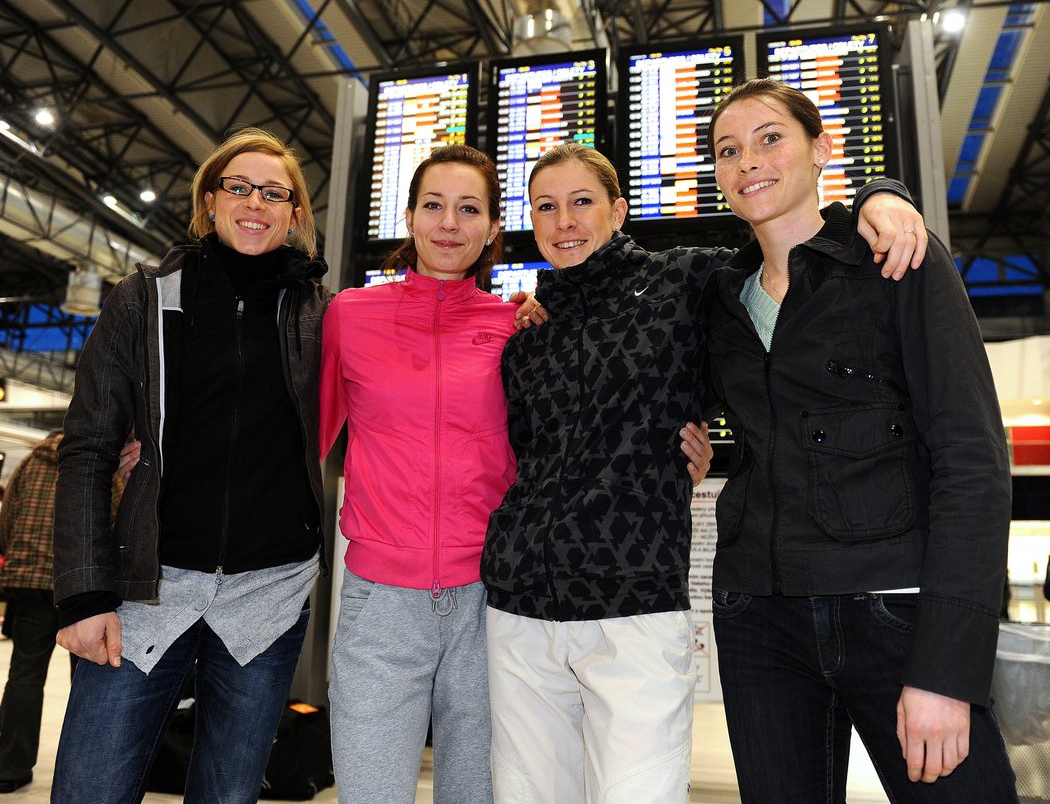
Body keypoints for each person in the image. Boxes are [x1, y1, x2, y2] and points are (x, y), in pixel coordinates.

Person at [480, 139, 927, 803]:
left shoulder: (685, 280)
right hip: (519, 604)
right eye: (546, 207)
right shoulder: (528, 331)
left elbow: (788, 241)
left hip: (634, 599)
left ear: (619, 210)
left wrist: (881, 195)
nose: (564, 220)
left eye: (581, 202)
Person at [702, 78, 1017, 802]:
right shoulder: (719, 301)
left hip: (895, 608)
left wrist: (946, 668)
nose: (748, 160)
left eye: (770, 137)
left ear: (822, 150)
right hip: (761, 617)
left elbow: (972, 463)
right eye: (728, 150)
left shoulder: (897, 261)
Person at [52, 127, 330, 804]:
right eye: (239, 187)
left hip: (268, 596)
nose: (255, 203)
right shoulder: (140, 302)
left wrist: (523, 318)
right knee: (90, 789)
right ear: (210, 200)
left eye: (275, 192)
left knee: (228, 795)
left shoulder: (322, 316)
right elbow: (88, 446)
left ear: (295, 212)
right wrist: (85, 595)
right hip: (146, 589)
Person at [319, 143, 578, 804]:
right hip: (380, 602)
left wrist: (678, 444)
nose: (448, 223)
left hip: (490, 603)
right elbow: (304, 436)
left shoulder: (517, 327)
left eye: (469, 209)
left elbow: (559, 450)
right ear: (409, 217)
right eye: (433, 205)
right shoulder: (351, 316)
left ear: (493, 227)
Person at [0, 432, 121, 795]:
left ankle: (9, 767)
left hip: (29, 583)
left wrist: (18, 563)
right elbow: (115, 525)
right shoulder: (100, 467)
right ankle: (85, 771)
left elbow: (6, 518)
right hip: (81, 588)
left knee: (24, 674)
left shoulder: (29, 463)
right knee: (87, 679)